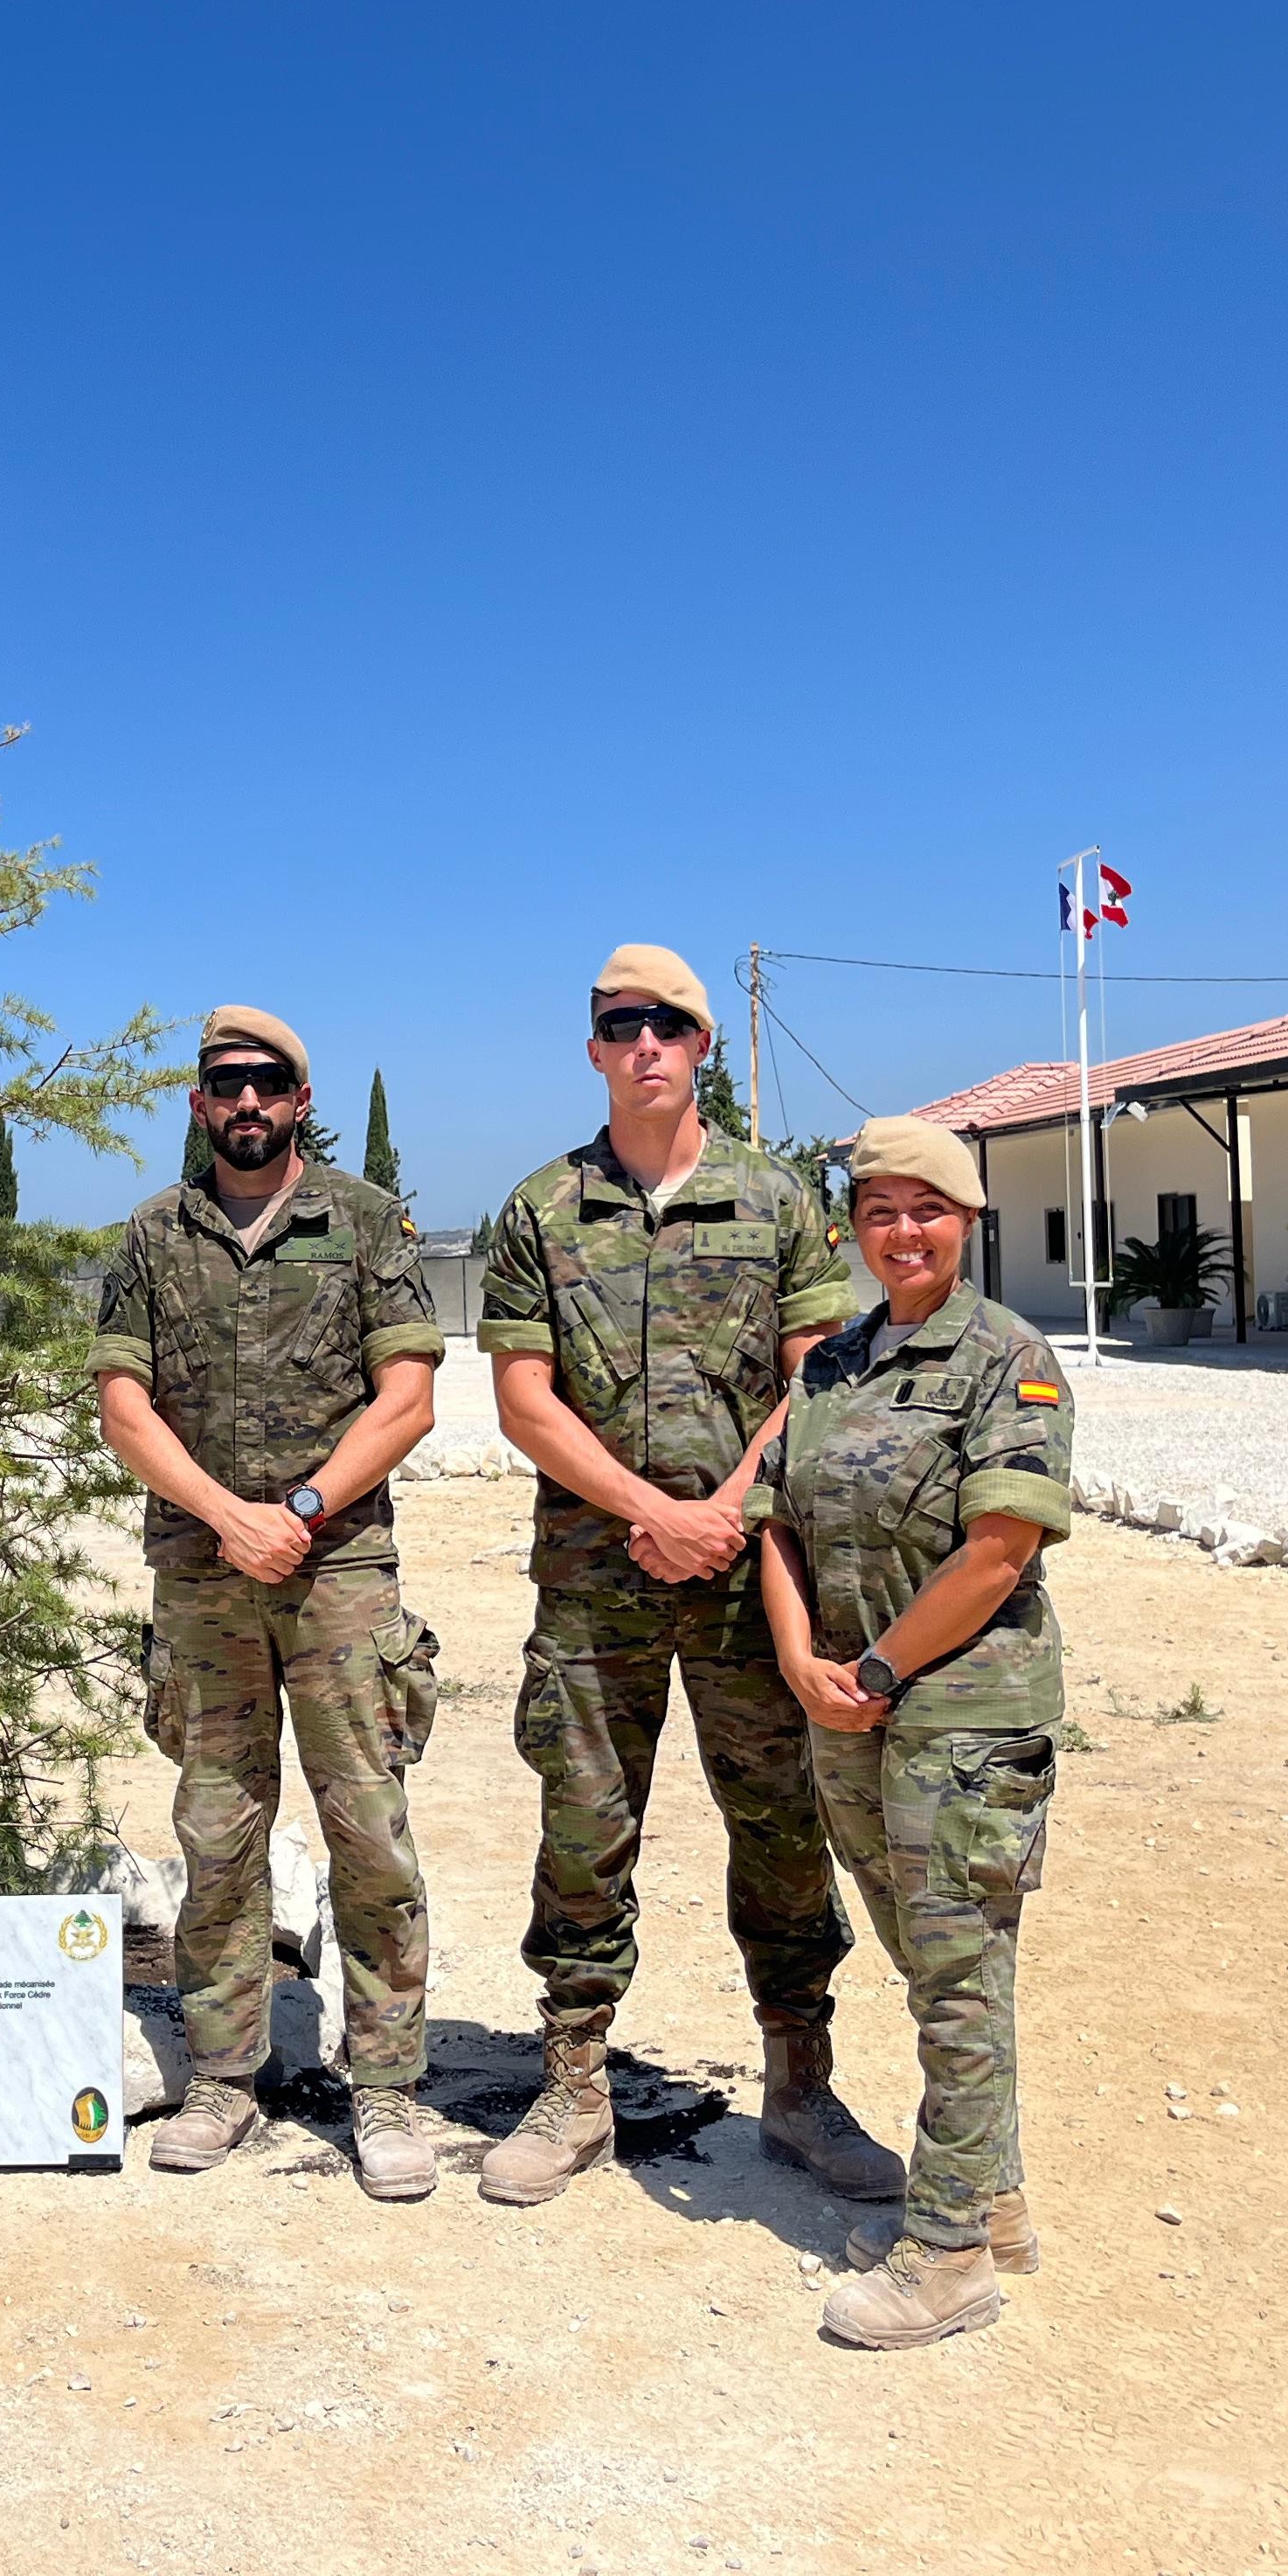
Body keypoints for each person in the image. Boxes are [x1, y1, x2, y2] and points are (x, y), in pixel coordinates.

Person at [473, 945, 896, 2207]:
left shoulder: (776, 1203)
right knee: (586, 1821)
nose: (644, 1043)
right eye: (620, 1025)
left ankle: (803, 2084)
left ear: (702, 1046)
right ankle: (575, 2081)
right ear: (594, 1047)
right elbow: (521, 1400)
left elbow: (812, 1376)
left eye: (668, 1024)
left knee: (778, 1820)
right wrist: (651, 1509)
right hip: (597, 1574)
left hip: (744, 1571)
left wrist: (721, 1512)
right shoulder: (539, 1212)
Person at [93, 1006, 449, 2198]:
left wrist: (295, 1512)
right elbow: (124, 1411)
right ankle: (225, 2078)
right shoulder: (152, 1237)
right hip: (204, 1576)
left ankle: (389, 2087)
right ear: (199, 1104)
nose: (246, 1101)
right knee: (217, 1834)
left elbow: (406, 1398)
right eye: (224, 1084)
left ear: (300, 1100)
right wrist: (227, 1516)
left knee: (368, 1833)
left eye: (268, 1084)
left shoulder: (361, 1223)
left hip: (337, 1567)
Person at [749, 1114, 1073, 2350]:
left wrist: (879, 1666)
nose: (903, 1232)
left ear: (968, 1222)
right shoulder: (832, 1362)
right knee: (930, 1958)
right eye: (880, 1210)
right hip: (846, 1702)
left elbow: (1001, 1550)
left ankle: (945, 2260)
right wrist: (800, 1659)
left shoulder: (1012, 1361)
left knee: (955, 1974)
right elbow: (777, 1519)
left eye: (926, 1210)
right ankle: (990, 2202)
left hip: (957, 1714)